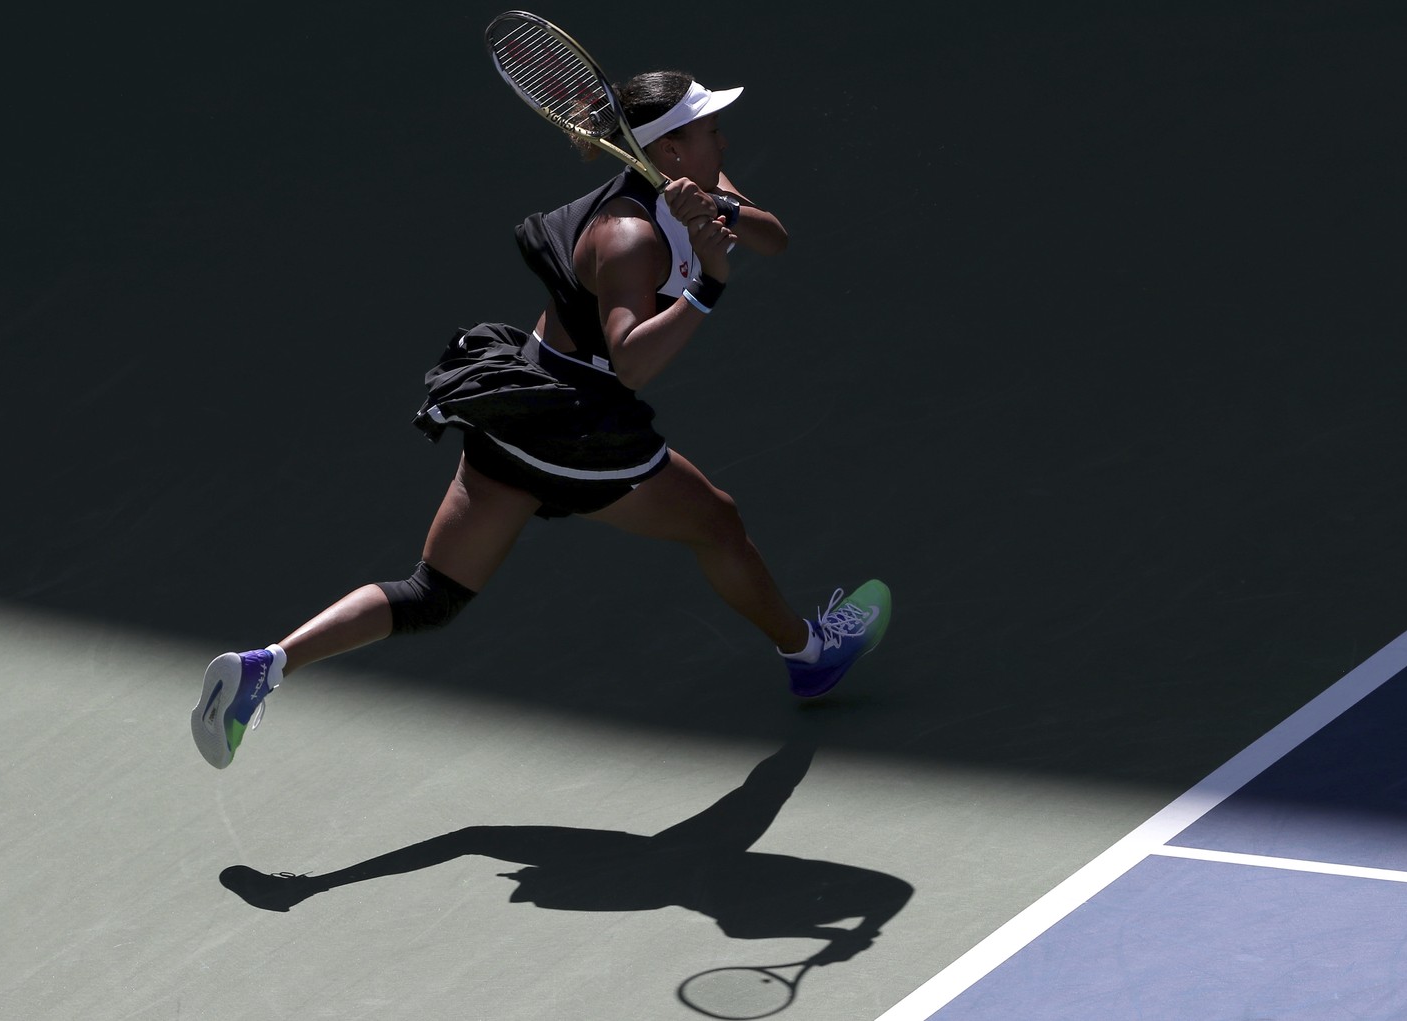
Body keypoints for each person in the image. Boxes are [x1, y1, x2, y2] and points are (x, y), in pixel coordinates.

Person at [191, 71, 891, 770]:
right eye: (708, 128)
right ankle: (810, 654)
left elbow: (776, 238)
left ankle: (265, 664)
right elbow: (634, 364)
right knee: (717, 521)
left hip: (515, 408)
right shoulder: (628, 239)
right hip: (579, 428)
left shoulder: (690, 177)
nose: (722, 136)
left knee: (433, 593)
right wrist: (707, 283)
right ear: (668, 151)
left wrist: (720, 213)